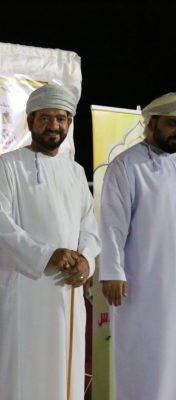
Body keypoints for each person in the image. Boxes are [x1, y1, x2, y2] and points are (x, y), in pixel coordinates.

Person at [0, 84, 101, 400]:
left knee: (63, 369)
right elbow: (0, 223)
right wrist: (48, 254)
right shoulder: (8, 165)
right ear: (30, 121)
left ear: (69, 123)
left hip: (67, 288)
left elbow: (89, 226)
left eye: (61, 118)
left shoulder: (76, 172)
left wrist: (86, 261)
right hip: (24, 286)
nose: (53, 125)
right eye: (45, 118)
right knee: (21, 370)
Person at [100, 93, 176, 400]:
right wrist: (111, 271)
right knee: (143, 357)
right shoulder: (127, 165)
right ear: (152, 124)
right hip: (141, 284)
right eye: (172, 123)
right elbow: (112, 224)